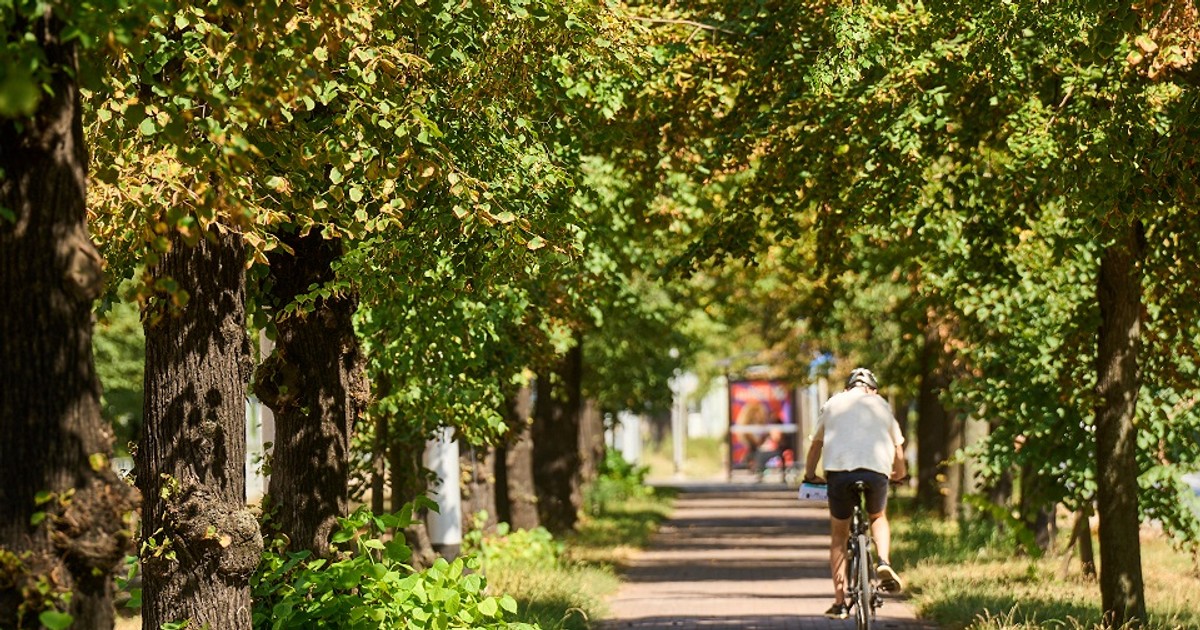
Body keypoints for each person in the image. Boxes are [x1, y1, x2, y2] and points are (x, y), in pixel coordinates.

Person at [803, 367, 907, 620]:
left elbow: (816, 445)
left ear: (847, 388)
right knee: (878, 517)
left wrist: (810, 475)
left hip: (839, 473)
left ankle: (840, 602)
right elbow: (898, 448)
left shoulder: (833, 404)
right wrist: (900, 474)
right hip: (876, 472)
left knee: (839, 534)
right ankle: (883, 561)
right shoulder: (881, 405)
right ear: (873, 389)